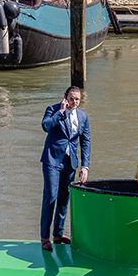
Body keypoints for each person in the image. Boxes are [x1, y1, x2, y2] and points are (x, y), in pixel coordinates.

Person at [39, 86, 90, 251]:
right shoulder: (53, 109)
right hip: (52, 159)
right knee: (51, 196)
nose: (74, 102)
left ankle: (58, 234)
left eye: (77, 99)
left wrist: (85, 166)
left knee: (64, 198)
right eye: (71, 98)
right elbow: (45, 126)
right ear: (65, 98)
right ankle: (45, 237)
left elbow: (85, 141)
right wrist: (60, 113)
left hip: (70, 162)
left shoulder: (83, 116)